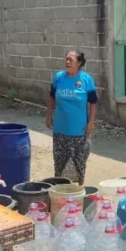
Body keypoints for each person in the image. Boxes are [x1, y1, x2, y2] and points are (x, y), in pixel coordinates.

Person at [46, 50, 98, 186]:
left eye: (71, 60)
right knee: (59, 162)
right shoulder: (58, 78)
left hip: (79, 130)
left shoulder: (86, 80)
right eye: (66, 59)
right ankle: (60, 190)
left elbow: (93, 102)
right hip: (60, 129)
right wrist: (49, 114)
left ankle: (79, 191)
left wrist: (91, 122)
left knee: (79, 162)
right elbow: (51, 96)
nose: (67, 62)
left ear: (79, 63)